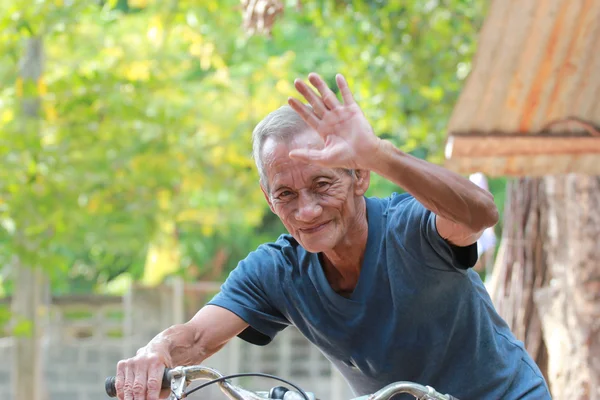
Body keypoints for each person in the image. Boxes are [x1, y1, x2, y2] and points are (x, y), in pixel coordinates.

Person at [114, 73, 550, 400]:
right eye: (286, 194)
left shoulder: (411, 226)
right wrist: (157, 354)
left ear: (360, 176)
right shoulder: (275, 271)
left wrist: (379, 153)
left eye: (323, 185)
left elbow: (480, 214)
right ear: (270, 201)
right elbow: (194, 338)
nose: (306, 210)